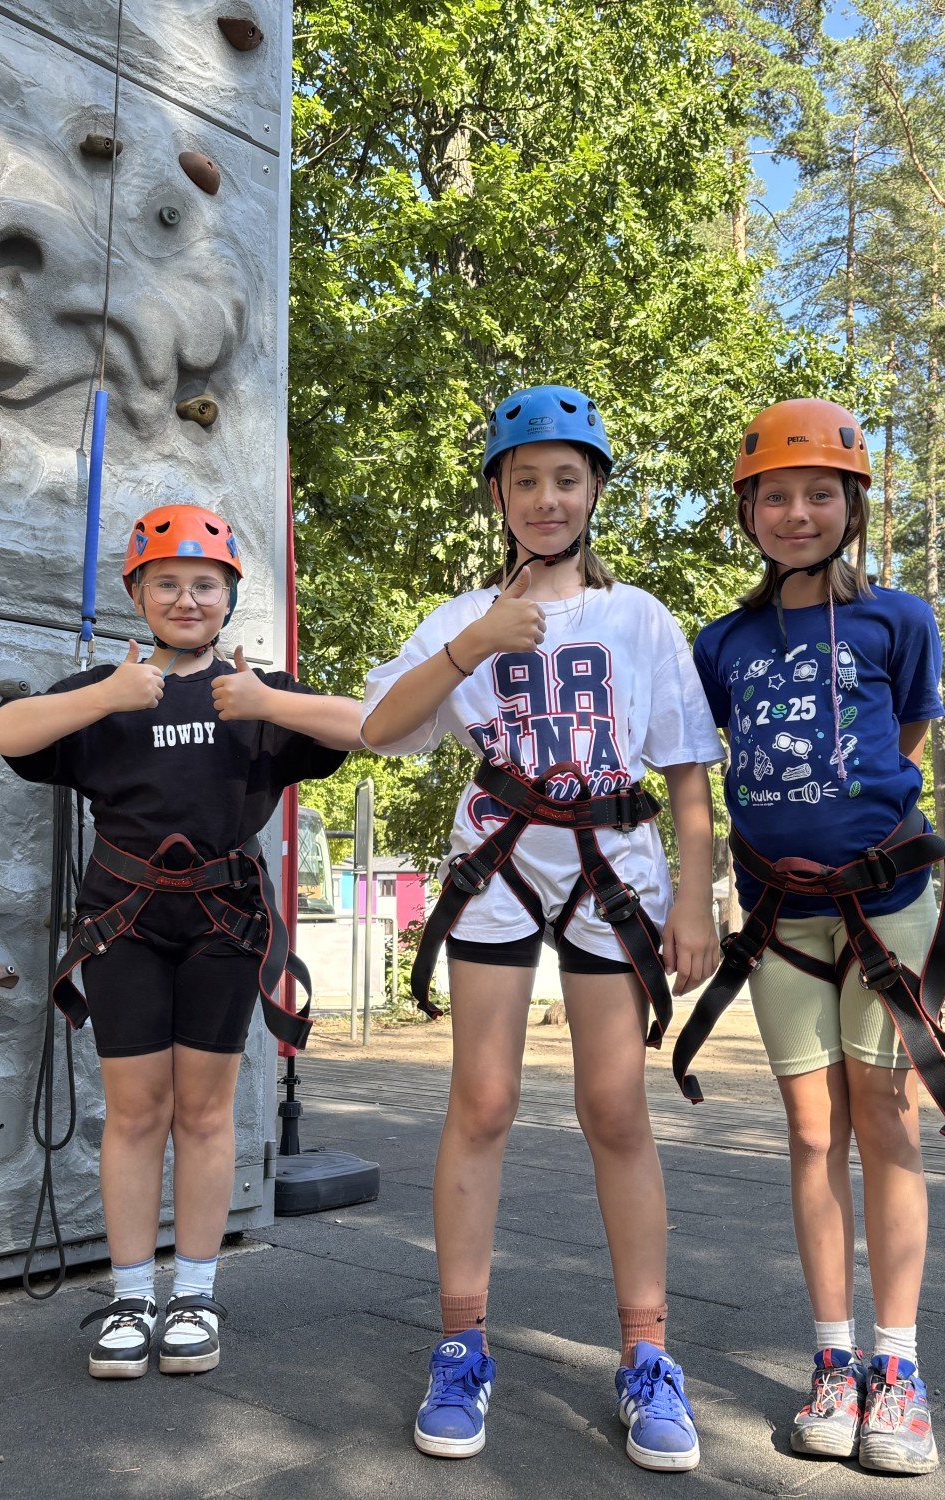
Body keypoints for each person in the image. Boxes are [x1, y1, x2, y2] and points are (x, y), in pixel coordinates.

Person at [360, 386, 725, 1471]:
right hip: (499, 870)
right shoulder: (459, 619)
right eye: (524, 481)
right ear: (498, 496)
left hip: (611, 871)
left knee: (614, 1108)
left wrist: (695, 899)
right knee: (481, 1101)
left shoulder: (638, 617)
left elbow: (686, 773)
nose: (546, 499)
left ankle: (647, 1355)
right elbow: (379, 728)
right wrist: (472, 644)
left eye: (566, 478)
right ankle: (460, 1346)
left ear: (596, 490)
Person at [0, 503, 361, 1380]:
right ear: (138, 596)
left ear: (229, 597)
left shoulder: (256, 690)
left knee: (205, 1111)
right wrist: (108, 697)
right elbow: (1, 734)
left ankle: (194, 1292)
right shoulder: (106, 688)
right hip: (127, 921)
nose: (186, 599)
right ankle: (130, 1296)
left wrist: (268, 702)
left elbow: (368, 726)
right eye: (167, 584)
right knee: (137, 1110)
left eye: (204, 585)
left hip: (223, 922)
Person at [680, 397, 945, 1476]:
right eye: (774, 497)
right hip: (778, 919)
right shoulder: (722, 643)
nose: (795, 513)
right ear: (747, 511)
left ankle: (898, 1368)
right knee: (811, 1137)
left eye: (817, 495)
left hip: (884, 908)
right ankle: (833, 1361)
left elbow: (905, 739)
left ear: (851, 506)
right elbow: (706, 764)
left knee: (885, 1124)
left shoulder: (899, 620)